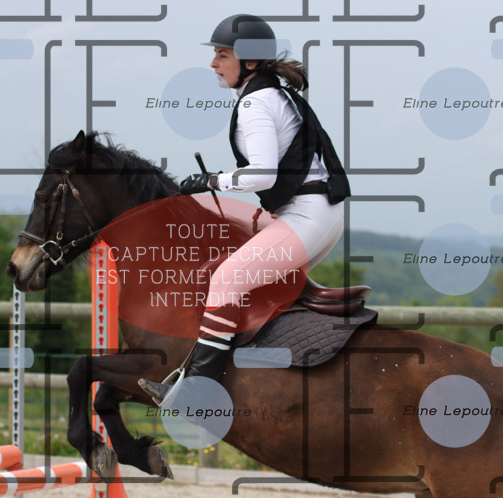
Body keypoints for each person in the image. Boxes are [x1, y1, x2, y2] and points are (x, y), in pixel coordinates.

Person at [139, 14, 350, 405]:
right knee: (240, 275)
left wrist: (213, 181)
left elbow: (264, 175)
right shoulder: (272, 94)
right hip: (315, 212)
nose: (213, 64)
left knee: (226, 280)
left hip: (307, 214)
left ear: (250, 61)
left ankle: (199, 391)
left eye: (222, 55)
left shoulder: (256, 102)